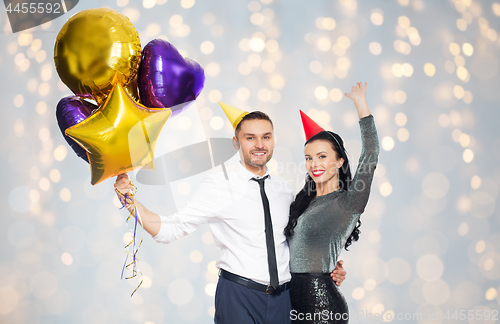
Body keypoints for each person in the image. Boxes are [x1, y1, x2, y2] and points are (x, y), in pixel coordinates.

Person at [114, 102, 347, 324]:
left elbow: (295, 241)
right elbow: (169, 229)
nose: (259, 145)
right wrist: (130, 202)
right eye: (250, 138)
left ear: (273, 141)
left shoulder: (284, 189)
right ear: (236, 142)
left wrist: (326, 267)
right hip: (238, 296)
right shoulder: (217, 186)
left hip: (284, 300)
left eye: (266, 137)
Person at [285, 82, 379, 323]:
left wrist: (361, 104)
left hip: (323, 306)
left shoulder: (349, 202)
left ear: (339, 161)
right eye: (309, 158)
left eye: (322, 156)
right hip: (290, 302)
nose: (314, 164)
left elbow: (371, 152)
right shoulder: (301, 201)